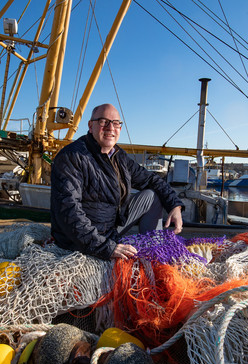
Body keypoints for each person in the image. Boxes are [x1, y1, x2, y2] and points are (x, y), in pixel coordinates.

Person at [50, 103, 184, 260]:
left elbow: (151, 179)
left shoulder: (118, 157)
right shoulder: (72, 157)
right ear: (90, 125)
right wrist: (106, 247)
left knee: (151, 196)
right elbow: (69, 211)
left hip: (110, 228)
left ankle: (154, 252)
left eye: (115, 123)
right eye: (103, 121)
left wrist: (175, 205)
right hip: (80, 239)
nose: (110, 128)